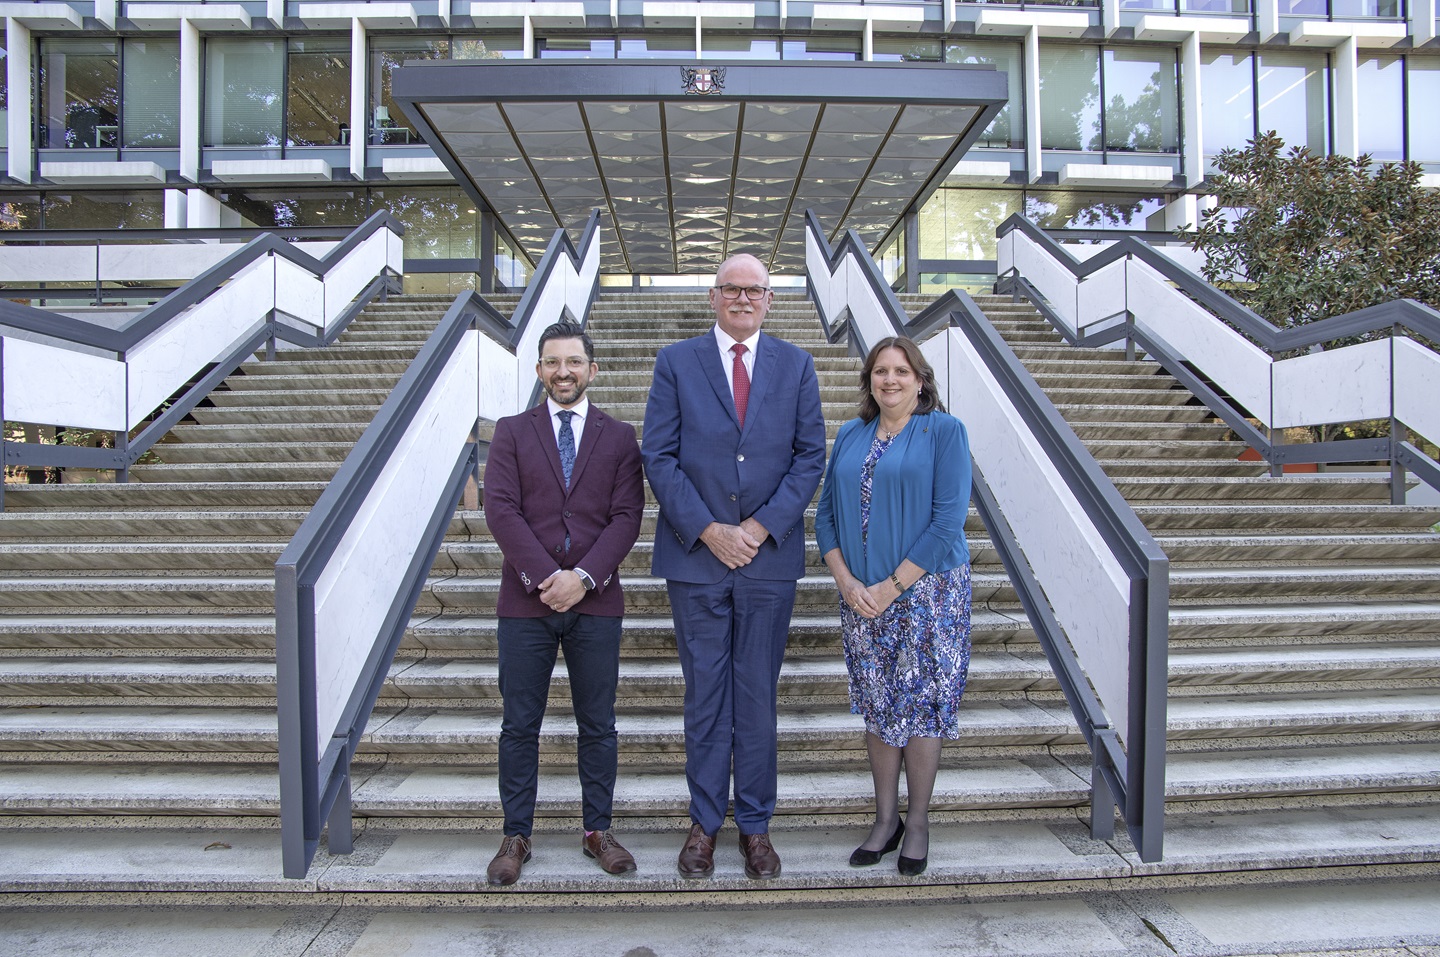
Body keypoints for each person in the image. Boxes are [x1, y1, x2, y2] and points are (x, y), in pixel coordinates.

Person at [641, 253, 826, 880]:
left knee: (756, 696)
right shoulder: (675, 362)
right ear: (713, 296)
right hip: (696, 561)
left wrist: (757, 527)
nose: (742, 298)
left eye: (754, 290)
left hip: (767, 561)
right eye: (731, 289)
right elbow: (659, 457)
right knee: (705, 698)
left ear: (770, 300)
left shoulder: (797, 366)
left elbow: (809, 459)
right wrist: (709, 529)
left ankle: (756, 827)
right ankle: (703, 824)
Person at [482, 320, 645, 886]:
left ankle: (597, 829)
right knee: (518, 724)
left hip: (595, 603)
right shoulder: (510, 431)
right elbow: (500, 510)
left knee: (597, 724)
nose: (563, 372)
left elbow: (628, 517)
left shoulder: (621, 438)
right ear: (539, 371)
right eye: (552, 362)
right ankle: (516, 834)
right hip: (525, 603)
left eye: (573, 362)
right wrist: (548, 575)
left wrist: (584, 577)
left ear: (592, 370)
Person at [813, 336, 973, 878]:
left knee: (922, 706)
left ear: (921, 379)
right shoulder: (851, 434)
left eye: (901, 371)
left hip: (928, 596)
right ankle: (885, 821)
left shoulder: (945, 433)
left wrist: (890, 588)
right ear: (869, 381)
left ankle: (919, 821)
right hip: (859, 597)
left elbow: (948, 522)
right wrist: (847, 582)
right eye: (880, 371)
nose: (890, 380)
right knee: (880, 706)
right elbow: (825, 518)